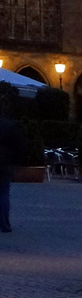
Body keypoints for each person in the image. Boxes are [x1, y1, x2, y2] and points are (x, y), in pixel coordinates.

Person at [0, 96, 24, 232]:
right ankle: (4, 224)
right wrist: (16, 163)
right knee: (3, 194)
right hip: (6, 164)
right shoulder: (10, 125)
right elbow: (18, 145)